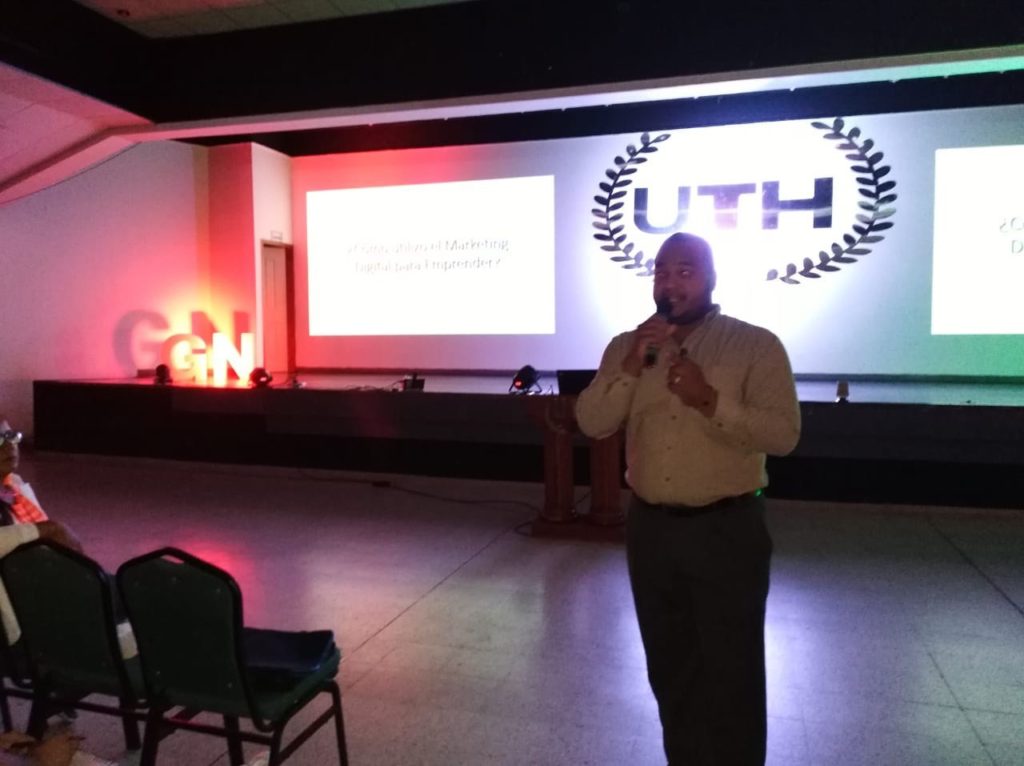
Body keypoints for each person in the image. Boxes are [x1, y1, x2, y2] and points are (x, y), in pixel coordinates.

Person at [576, 232, 800, 765]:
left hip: (727, 529)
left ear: (711, 277)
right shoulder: (627, 347)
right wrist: (631, 367)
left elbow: (783, 435)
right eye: (661, 271)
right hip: (651, 531)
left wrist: (709, 400)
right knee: (670, 668)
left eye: (684, 271)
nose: (670, 282)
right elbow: (592, 421)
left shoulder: (755, 345)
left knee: (732, 672)